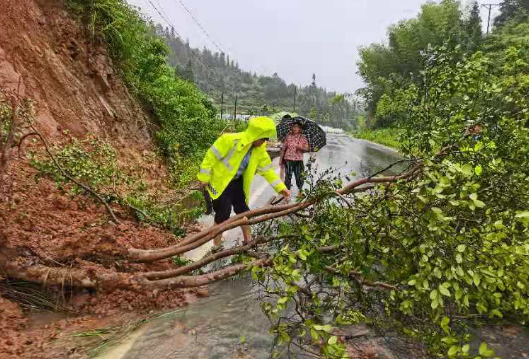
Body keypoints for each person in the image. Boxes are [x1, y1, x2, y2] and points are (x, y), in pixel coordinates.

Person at [197, 116, 291, 247]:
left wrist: (281, 188)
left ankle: (248, 241)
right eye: (263, 138)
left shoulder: (259, 151)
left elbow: (268, 171)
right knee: (222, 216)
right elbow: (210, 157)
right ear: (255, 135)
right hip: (221, 183)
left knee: (244, 212)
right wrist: (204, 178)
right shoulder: (229, 140)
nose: (264, 142)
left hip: (237, 183)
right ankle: (216, 247)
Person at [280, 121, 309, 191]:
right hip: (288, 159)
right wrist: (281, 160)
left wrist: (300, 147)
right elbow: (283, 149)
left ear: (300, 128)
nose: (295, 128)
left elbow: (306, 148)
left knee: (299, 176)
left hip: (298, 160)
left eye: (297, 127)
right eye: (293, 126)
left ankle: (300, 190)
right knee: (288, 176)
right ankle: (287, 192)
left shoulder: (303, 137)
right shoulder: (288, 136)